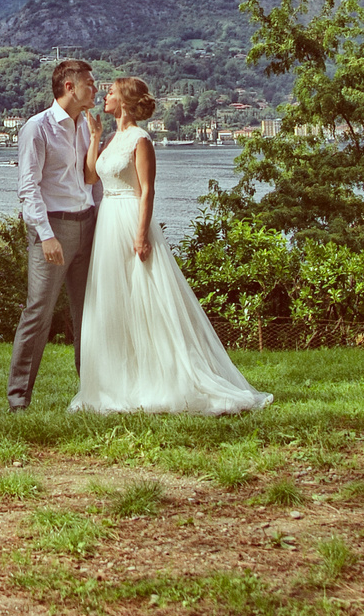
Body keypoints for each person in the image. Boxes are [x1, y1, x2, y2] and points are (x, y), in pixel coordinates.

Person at [70, 76, 271, 416]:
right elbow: (91, 177)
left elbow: (147, 190)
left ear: (126, 101)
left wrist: (141, 234)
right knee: (113, 300)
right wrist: (92, 137)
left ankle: (168, 377)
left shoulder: (140, 139)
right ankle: (117, 381)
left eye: (112, 92)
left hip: (130, 219)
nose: (105, 95)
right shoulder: (111, 138)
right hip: (107, 222)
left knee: (147, 299)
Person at [5, 58, 101, 411]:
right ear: (69, 87)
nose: (96, 88)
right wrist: (45, 235)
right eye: (90, 83)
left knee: (88, 313)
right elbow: (28, 188)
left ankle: (91, 394)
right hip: (54, 228)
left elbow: (94, 180)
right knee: (38, 312)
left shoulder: (88, 126)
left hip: (88, 225)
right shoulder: (38, 128)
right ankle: (18, 401)